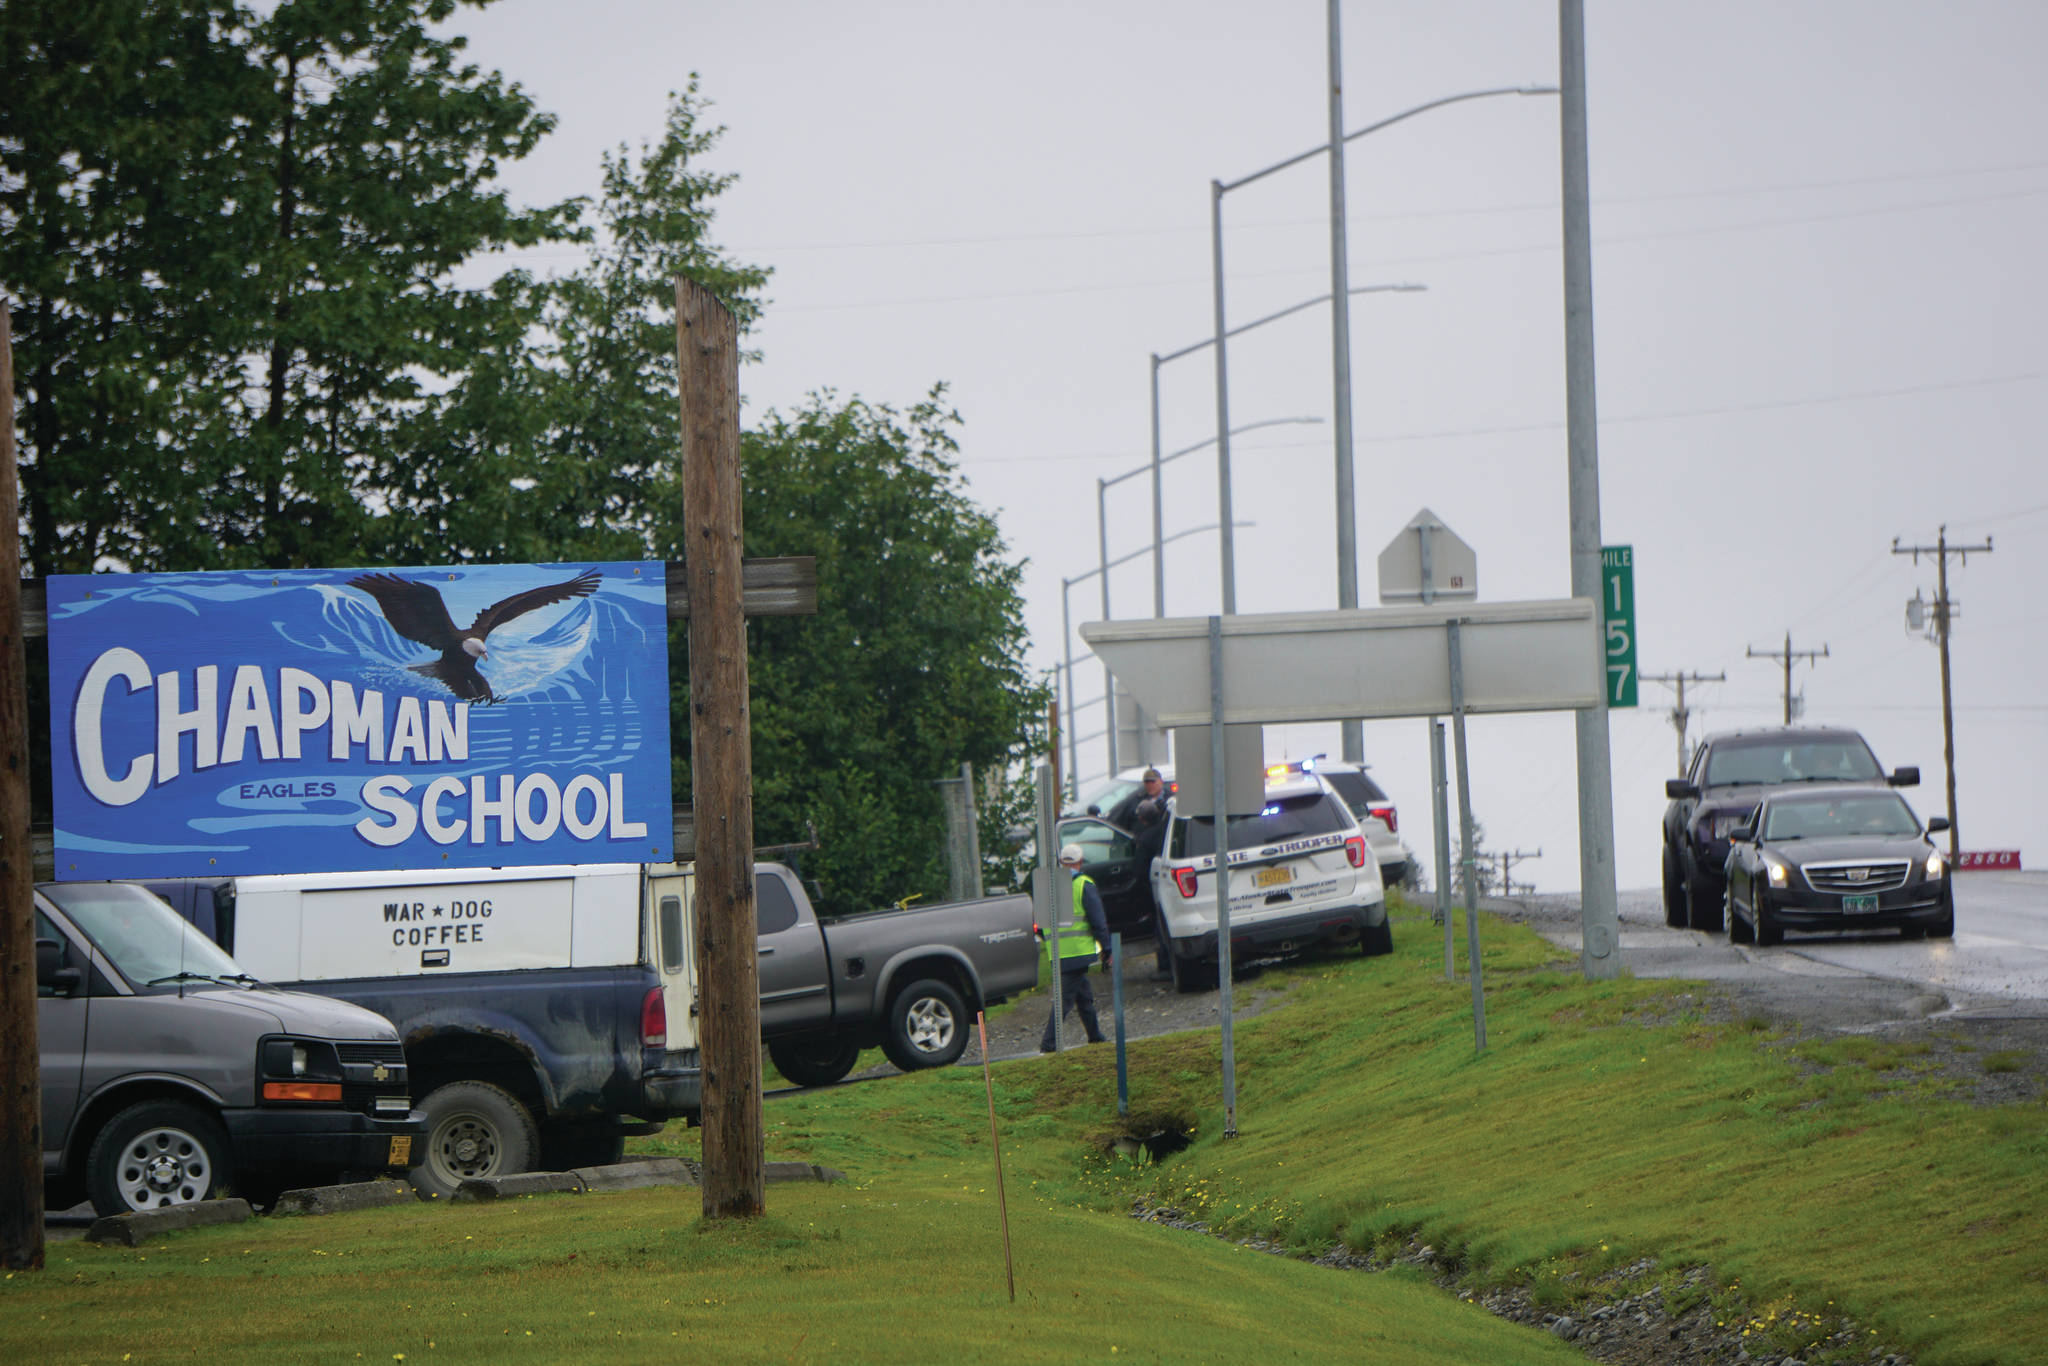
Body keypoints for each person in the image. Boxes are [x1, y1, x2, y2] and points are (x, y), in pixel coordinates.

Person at [1040, 844, 1110, 1052]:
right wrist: (1107, 947)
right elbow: (1098, 919)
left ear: (1062, 862)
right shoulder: (1083, 884)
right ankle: (1049, 1043)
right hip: (1077, 951)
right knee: (1065, 1000)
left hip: (1057, 952)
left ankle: (1095, 1036)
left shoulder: (1049, 886)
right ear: (1079, 862)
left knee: (1083, 996)